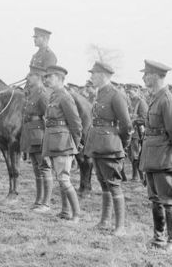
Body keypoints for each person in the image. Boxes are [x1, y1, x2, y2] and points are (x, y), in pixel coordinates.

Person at [139, 60, 172, 251]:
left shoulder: (167, 99)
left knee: (168, 200)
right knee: (155, 199)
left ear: (157, 76)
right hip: (151, 155)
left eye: (147, 74)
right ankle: (158, 237)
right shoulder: (155, 97)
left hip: (164, 156)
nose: (144, 78)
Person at [84, 61, 132, 236]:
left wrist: (121, 145)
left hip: (110, 146)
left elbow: (126, 125)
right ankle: (105, 221)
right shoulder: (100, 94)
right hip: (97, 144)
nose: (91, 77)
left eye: (94, 74)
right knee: (103, 183)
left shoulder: (116, 95)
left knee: (113, 184)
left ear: (103, 75)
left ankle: (120, 226)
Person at [42, 65, 83, 222]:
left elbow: (76, 124)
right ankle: (65, 211)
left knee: (64, 179)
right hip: (54, 142)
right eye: (46, 77)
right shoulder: (54, 96)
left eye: (49, 76)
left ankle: (76, 214)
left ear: (59, 78)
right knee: (61, 179)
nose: (46, 79)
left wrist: (74, 146)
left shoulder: (65, 97)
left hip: (64, 144)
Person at [20, 65, 51, 209]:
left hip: (40, 134)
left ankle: (46, 202)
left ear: (38, 77)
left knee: (44, 167)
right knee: (36, 168)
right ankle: (38, 200)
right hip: (31, 132)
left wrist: (47, 138)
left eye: (30, 76)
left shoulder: (43, 93)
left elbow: (48, 117)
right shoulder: (32, 93)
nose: (28, 78)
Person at [66, 83, 94, 198]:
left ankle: (86, 185)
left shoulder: (84, 100)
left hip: (84, 129)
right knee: (80, 157)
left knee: (85, 157)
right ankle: (84, 185)